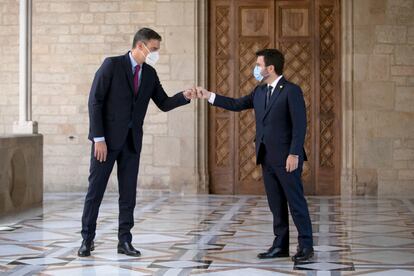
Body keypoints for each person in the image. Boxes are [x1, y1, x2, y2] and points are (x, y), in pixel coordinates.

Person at [78, 28, 196, 257]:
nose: (155, 54)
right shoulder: (111, 65)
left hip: (132, 143)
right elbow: (95, 102)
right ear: (140, 46)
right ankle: (86, 239)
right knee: (96, 191)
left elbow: (163, 102)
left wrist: (184, 96)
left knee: (128, 194)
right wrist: (98, 138)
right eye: (153, 49)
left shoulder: (149, 74)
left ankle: (124, 241)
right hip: (106, 142)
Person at [197, 49, 314, 262]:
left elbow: (300, 125)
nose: (256, 69)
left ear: (270, 68)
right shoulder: (259, 92)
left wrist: (294, 153)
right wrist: (209, 96)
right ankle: (280, 245)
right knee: (276, 204)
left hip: (287, 158)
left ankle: (306, 246)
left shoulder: (291, 91)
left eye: (259, 65)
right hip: (266, 156)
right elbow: (236, 104)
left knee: (296, 203)